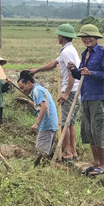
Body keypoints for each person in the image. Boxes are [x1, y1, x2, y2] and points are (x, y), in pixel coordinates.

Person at [29, 24, 81, 161]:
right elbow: (54, 63)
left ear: (62, 37)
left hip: (70, 90)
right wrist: (37, 70)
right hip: (77, 90)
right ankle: (73, 152)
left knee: (64, 122)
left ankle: (67, 153)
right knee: (71, 123)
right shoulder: (69, 50)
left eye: (58, 35)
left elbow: (72, 73)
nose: (57, 37)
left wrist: (66, 93)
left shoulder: (66, 52)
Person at [68, 24, 104, 176]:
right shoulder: (84, 53)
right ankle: (96, 162)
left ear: (96, 38)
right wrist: (73, 69)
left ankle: (103, 164)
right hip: (85, 96)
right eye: (84, 37)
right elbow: (81, 75)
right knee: (89, 130)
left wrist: (91, 72)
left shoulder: (103, 52)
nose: (87, 39)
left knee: (98, 129)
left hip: (97, 96)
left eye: (89, 37)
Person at [17, 70, 58, 156]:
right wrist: (27, 101)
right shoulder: (40, 89)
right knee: (45, 154)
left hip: (46, 125)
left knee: (40, 154)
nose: (22, 90)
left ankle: (41, 169)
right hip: (51, 124)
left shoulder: (37, 90)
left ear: (29, 83)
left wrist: (36, 123)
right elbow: (40, 105)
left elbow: (44, 106)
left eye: (22, 87)